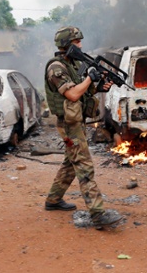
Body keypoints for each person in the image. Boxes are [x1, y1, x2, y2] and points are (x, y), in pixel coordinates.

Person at [43, 26, 123, 229]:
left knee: (71, 162)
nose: (81, 45)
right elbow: (72, 95)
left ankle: (53, 200)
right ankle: (97, 214)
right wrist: (90, 78)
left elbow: (84, 90)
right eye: (77, 42)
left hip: (76, 121)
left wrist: (99, 85)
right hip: (68, 124)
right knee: (84, 166)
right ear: (67, 45)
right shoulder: (56, 68)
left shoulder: (75, 63)